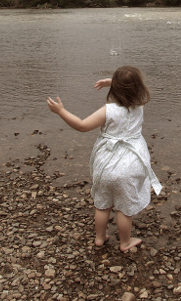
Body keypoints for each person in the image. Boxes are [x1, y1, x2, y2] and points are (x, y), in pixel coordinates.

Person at [47, 65, 162, 252]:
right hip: (131, 165)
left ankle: (100, 238)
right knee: (124, 209)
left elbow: (82, 126)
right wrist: (115, 83)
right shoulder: (140, 104)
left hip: (107, 165)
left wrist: (61, 111)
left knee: (102, 205)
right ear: (139, 88)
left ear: (115, 89)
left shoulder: (108, 111)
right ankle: (125, 243)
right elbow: (132, 88)